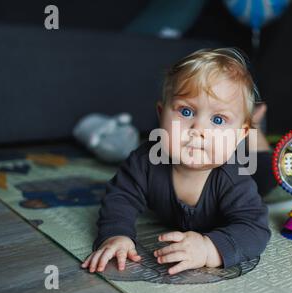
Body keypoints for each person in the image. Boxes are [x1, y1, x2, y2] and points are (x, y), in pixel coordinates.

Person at [82, 48, 274, 275]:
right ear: (161, 114)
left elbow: (255, 228)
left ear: (238, 135)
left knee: (268, 172)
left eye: (218, 119)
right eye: (185, 111)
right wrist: (116, 234)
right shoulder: (145, 161)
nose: (198, 130)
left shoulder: (235, 178)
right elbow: (120, 197)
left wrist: (209, 249)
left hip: (253, 170)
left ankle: (256, 131)